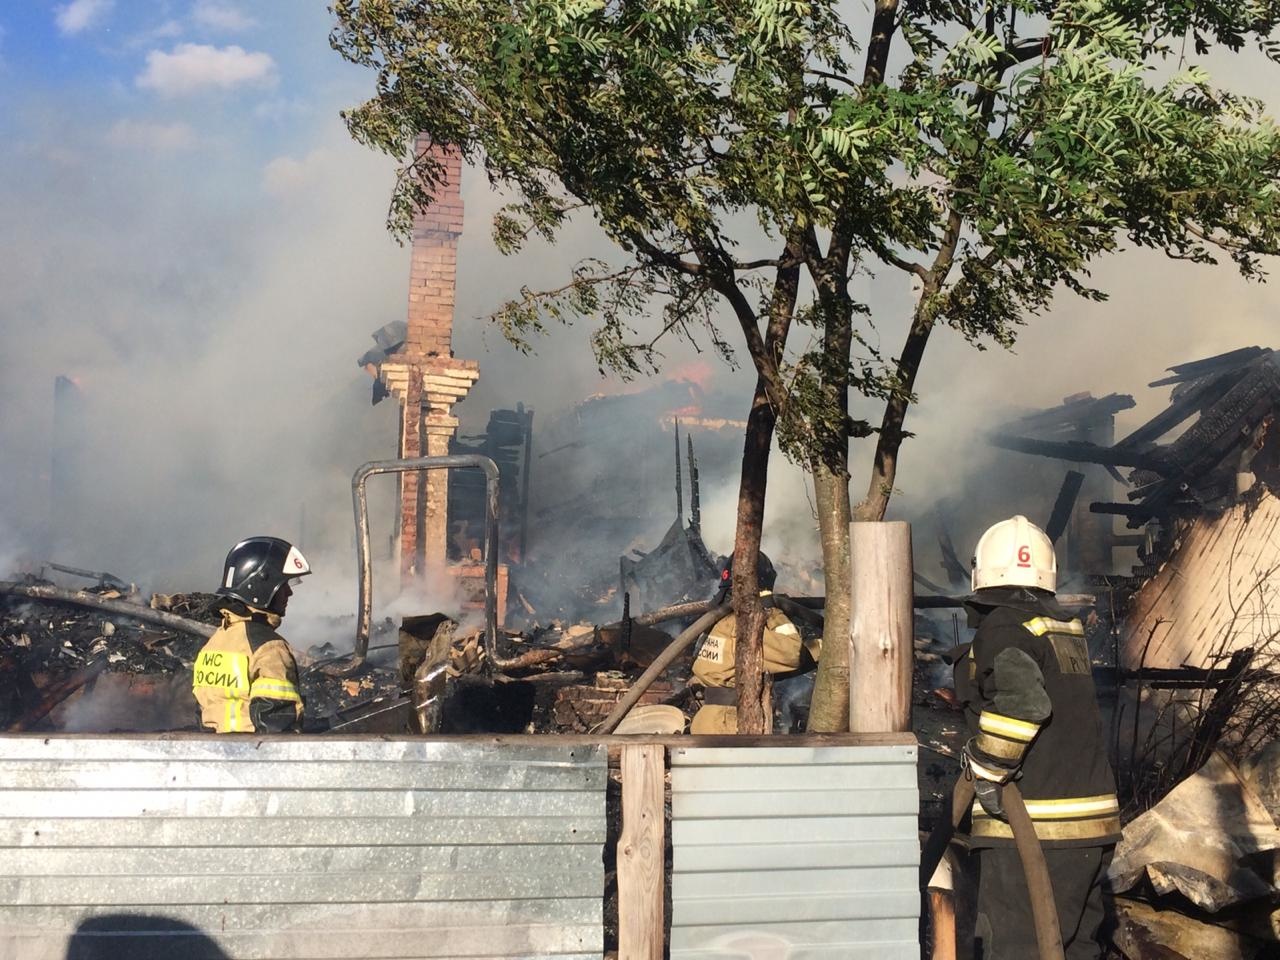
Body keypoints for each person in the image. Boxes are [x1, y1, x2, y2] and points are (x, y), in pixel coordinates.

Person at [956, 516, 1118, 959]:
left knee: (1020, 948)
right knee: (1078, 947)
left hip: (1035, 827)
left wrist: (987, 767)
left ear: (982, 572)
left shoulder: (1004, 627)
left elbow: (1024, 704)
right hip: (1091, 826)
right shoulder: (1064, 627)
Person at [689, 552, 820, 734]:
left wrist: (817, 651)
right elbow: (792, 654)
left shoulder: (719, 622)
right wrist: (772, 611)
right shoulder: (742, 626)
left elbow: (760, 665)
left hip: (712, 719)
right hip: (729, 722)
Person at [193, 536, 309, 733]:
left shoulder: (216, 641)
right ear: (261, 585)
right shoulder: (269, 648)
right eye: (283, 585)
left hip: (217, 752)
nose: (289, 593)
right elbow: (277, 725)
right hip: (254, 755)